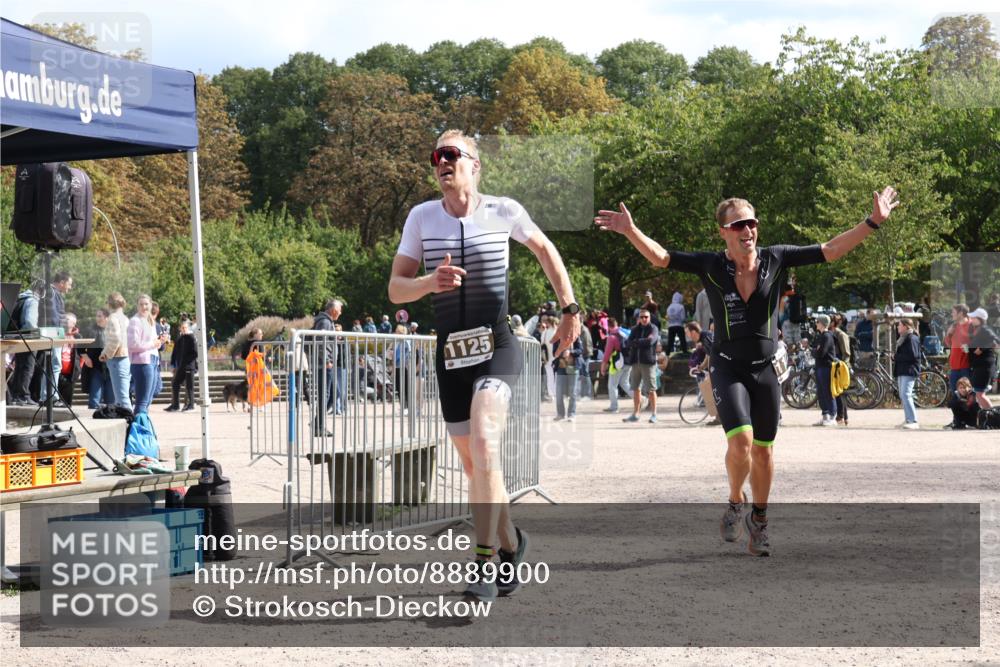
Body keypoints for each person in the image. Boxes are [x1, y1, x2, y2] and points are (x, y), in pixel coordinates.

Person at [595, 186, 900, 556]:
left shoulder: (777, 259)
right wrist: (630, 230)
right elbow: (660, 258)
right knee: (739, 443)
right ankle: (735, 501)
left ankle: (759, 519)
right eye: (739, 224)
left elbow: (831, 250)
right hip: (727, 366)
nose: (748, 230)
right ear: (723, 231)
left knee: (765, 452)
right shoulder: (711, 265)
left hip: (765, 368)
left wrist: (872, 222)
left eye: (752, 223)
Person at [389, 129, 580, 601]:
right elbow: (396, 288)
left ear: (475, 165)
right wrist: (431, 281)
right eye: (436, 156)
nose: (442, 162)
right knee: (478, 469)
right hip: (451, 355)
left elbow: (545, 251)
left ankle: (482, 562)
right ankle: (513, 544)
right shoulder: (421, 218)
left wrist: (570, 309)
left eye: (452, 154)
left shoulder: (504, 210)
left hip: (497, 344)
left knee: (485, 439)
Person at [128, 294, 168, 415]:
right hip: (142, 362)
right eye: (141, 304)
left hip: (153, 361)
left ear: (151, 305)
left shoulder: (149, 320)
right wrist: (153, 343)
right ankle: (138, 429)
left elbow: (153, 344)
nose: (144, 307)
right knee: (142, 402)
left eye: (146, 304)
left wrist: (160, 341)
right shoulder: (135, 321)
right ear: (137, 306)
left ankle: (143, 427)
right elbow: (132, 345)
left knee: (148, 400)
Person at [39, 271, 73, 404]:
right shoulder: (52, 293)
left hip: (53, 332)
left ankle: (47, 395)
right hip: (53, 333)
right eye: (69, 284)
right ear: (62, 283)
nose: (70, 287)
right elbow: (54, 316)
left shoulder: (51, 293)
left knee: (52, 364)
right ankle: (50, 396)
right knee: (54, 364)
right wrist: (61, 333)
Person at [312, 298, 346, 433]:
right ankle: (319, 426)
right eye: (339, 310)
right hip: (324, 365)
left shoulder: (326, 321)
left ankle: (317, 423)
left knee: (334, 393)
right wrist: (327, 361)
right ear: (333, 310)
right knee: (325, 394)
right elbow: (321, 343)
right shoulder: (325, 322)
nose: (340, 313)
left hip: (326, 364)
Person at [6, 281, 42, 405]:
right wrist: (37, 333)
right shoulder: (32, 300)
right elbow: (30, 322)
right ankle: (23, 396)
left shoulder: (21, 298)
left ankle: (16, 396)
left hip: (17, 337)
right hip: (28, 338)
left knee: (20, 367)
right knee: (28, 367)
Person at [622, 309, 659, 424]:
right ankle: (636, 414)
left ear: (649, 318)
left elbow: (650, 341)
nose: (644, 319)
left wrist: (636, 342)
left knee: (651, 390)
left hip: (648, 363)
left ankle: (654, 414)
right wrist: (639, 342)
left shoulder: (653, 328)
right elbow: (627, 343)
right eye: (641, 317)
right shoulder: (634, 329)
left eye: (646, 317)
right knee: (636, 389)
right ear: (638, 318)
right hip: (635, 362)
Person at [100, 293, 132, 410]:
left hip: (117, 358)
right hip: (126, 357)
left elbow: (115, 338)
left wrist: (106, 354)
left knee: (121, 398)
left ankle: (130, 425)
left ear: (109, 304)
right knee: (123, 396)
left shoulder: (113, 318)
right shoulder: (125, 318)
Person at [78, 308, 114, 409]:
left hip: (111, 368)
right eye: (97, 316)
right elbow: (79, 346)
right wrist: (86, 358)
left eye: (100, 316)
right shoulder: (90, 330)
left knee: (111, 400)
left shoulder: (113, 330)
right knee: (94, 400)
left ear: (107, 317)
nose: (97, 318)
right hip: (95, 368)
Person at [967, 308, 998, 410]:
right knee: (978, 394)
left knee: (980, 394)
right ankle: (987, 417)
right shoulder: (975, 329)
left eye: (973, 317)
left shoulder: (985, 329)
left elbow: (996, 340)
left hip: (984, 366)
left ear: (979, 319)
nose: (970, 318)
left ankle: (994, 416)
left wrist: (982, 348)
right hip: (978, 365)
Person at [893, 318, 921, 430]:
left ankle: (913, 420)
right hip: (902, 369)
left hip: (909, 370)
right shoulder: (904, 338)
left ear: (906, 326)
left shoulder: (912, 338)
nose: (897, 327)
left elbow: (913, 355)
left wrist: (896, 357)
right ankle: (908, 419)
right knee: (903, 395)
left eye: (899, 325)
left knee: (906, 394)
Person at [599, 318, 631, 414]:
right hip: (629, 361)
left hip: (618, 363)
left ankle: (614, 407)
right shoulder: (626, 332)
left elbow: (607, 354)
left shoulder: (612, 337)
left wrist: (603, 366)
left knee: (612, 385)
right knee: (625, 383)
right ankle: (641, 398)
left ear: (608, 326)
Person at [165, 318, 198, 412]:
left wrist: (188, 362)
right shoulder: (181, 338)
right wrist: (174, 364)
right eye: (182, 328)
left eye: (185, 327)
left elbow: (195, 352)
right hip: (181, 366)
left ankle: (191, 405)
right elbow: (176, 352)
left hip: (189, 366)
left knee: (189, 386)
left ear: (188, 328)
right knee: (175, 383)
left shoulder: (191, 337)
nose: (183, 329)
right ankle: (175, 405)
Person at [811, 314, 838, 427]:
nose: (816, 324)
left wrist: (815, 351)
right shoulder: (821, 336)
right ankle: (825, 415)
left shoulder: (827, 336)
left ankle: (832, 416)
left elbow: (820, 353)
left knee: (828, 391)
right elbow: (816, 349)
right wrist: (815, 350)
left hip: (826, 367)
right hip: (820, 366)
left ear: (822, 323)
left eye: (817, 322)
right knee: (821, 393)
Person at [552, 333, 584, 421]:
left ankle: (571, 414)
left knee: (572, 391)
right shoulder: (557, 336)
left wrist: (571, 352)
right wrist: (562, 353)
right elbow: (554, 352)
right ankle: (560, 414)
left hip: (573, 367)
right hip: (561, 367)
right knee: (559, 392)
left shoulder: (576, 336)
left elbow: (580, 350)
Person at [830, 313, 852, 426]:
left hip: (840, 366)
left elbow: (846, 353)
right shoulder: (832, 333)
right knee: (836, 392)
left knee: (841, 393)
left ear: (834, 323)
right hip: (834, 364)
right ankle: (841, 416)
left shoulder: (841, 334)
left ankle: (842, 416)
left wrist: (842, 365)